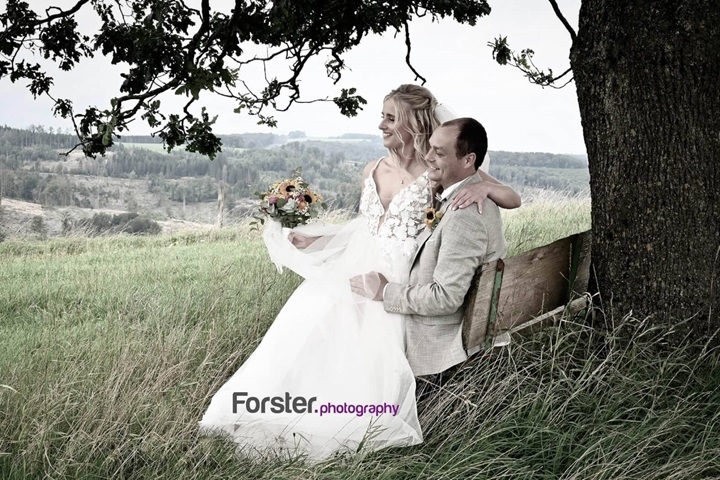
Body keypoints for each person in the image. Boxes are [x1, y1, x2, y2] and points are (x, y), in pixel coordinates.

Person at [199, 85, 520, 462]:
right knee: (315, 307)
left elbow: (510, 198)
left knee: (363, 327)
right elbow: (366, 229)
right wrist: (317, 240)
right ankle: (283, 407)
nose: (381, 124)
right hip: (359, 265)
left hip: (402, 275)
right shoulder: (373, 169)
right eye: (382, 116)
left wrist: (483, 189)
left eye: (390, 118)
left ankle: (344, 417)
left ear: (414, 123)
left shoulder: (436, 171)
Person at [350, 117, 506, 377]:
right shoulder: (458, 195)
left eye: (439, 153)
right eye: (430, 148)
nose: (428, 157)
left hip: (438, 345)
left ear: (468, 160)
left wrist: (385, 291)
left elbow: (445, 298)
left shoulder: (465, 214)